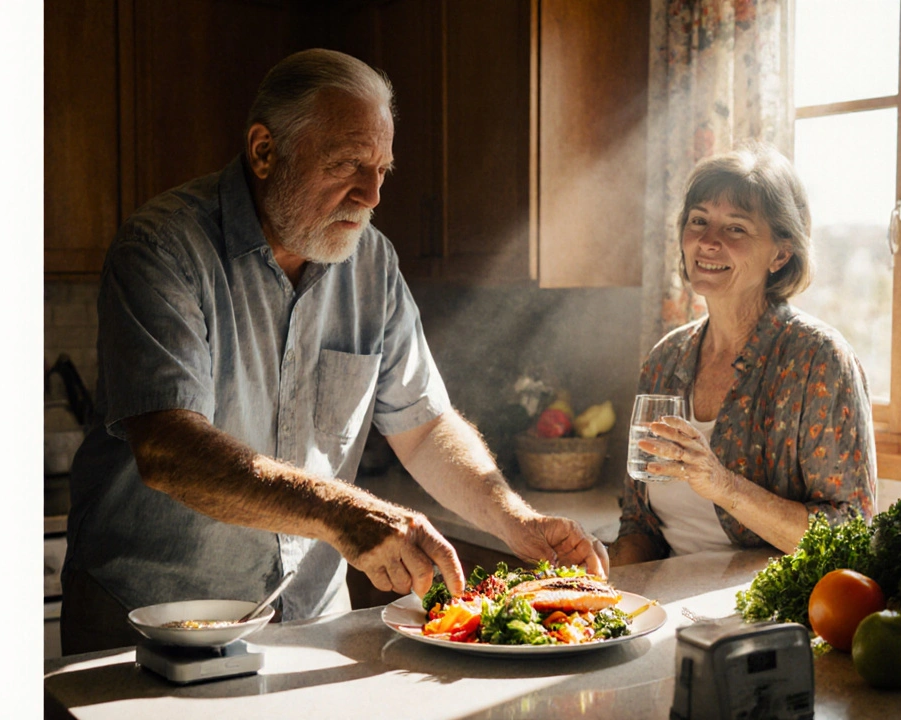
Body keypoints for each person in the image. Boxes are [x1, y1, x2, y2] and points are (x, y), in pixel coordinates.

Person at [61, 49, 606, 655]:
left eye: (383, 170)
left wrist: (516, 520)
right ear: (265, 151)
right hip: (149, 625)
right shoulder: (163, 248)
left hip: (308, 627)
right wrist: (345, 513)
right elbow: (169, 450)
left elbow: (425, 429)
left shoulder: (371, 261)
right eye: (348, 163)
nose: (372, 195)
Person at [609, 141, 876, 565]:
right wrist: (607, 601)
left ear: (781, 253)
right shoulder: (665, 359)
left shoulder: (818, 359)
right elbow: (639, 523)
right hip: (671, 607)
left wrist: (721, 483)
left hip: (768, 613)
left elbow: (850, 532)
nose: (708, 242)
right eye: (699, 221)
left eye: (735, 228)